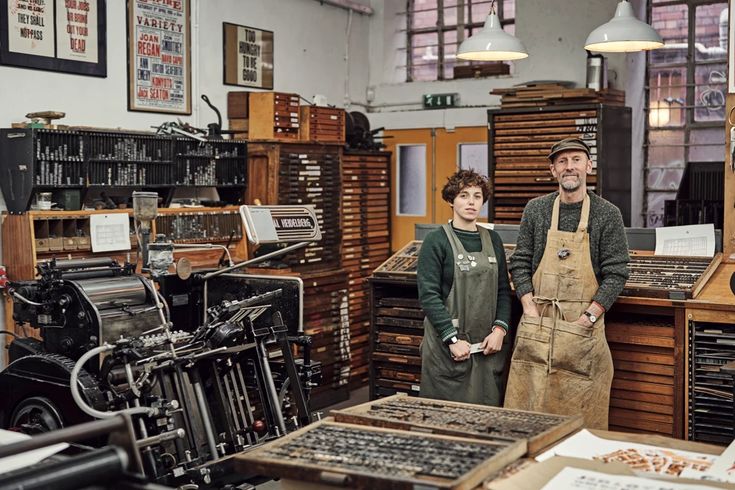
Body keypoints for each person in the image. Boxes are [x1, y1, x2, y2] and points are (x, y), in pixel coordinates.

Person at [504, 137, 630, 429]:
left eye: (576, 160)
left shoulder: (607, 214)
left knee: (581, 414)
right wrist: (529, 307)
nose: (569, 167)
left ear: (589, 165)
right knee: (527, 409)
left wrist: (589, 317)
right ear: (553, 170)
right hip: (538, 321)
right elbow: (520, 262)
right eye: (562, 161)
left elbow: (617, 272)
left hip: (580, 326)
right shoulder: (536, 210)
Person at [417, 169, 512, 405]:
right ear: (451, 200)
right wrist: (451, 339)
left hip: (486, 347)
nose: (471, 202)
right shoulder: (436, 241)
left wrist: (500, 330)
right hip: (449, 348)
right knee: (444, 417)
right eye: (463, 195)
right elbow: (429, 297)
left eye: (477, 196)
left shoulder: (493, 240)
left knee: (486, 416)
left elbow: (503, 290)